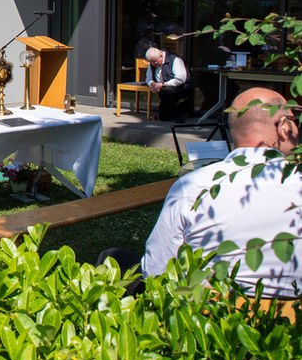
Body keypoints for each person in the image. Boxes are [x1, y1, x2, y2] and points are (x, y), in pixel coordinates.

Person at [102, 87, 302, 299]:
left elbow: (156, 271)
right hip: (288, 324)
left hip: (209, 320)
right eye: (294, 120)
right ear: (282, 127)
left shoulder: (193, 187)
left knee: (113, 259)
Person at [144, 47, 193, 121]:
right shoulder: (152, 62)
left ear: (161, 56)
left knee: (164, 92)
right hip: (164, 88)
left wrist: (163, 84)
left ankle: (179, 116)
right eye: (151, 63)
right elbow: (148, 78)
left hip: (181, 86)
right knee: (163, 117)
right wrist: (152, 84)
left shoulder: (175, 59)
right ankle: (182, 108)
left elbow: (180, 79)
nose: (154, 64)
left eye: (156, 62)